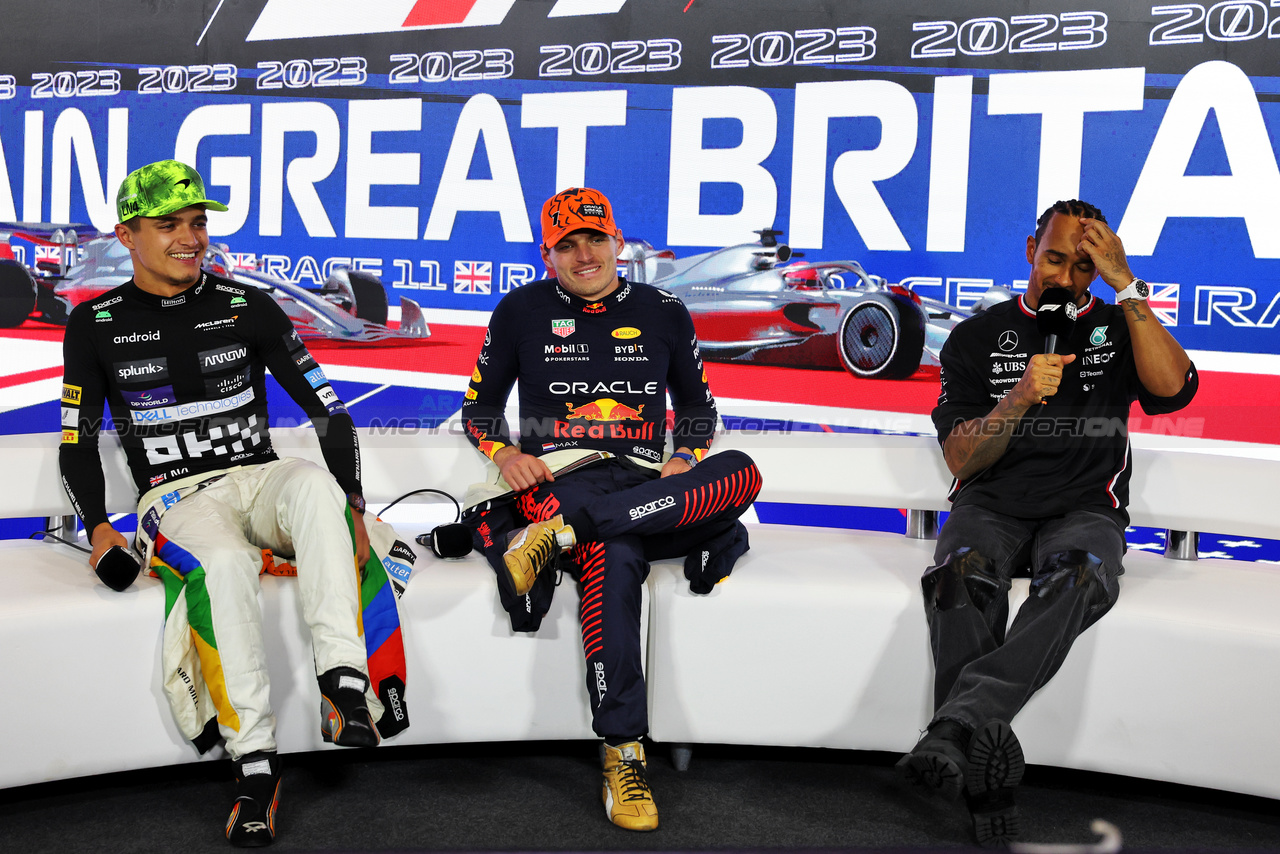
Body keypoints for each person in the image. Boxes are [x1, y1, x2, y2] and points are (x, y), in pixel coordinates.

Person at [58, 160, 414, 848]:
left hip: (261, 478)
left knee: (315, 486)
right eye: (170, 225)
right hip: (178, 498)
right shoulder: (92, 322)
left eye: (198, 223)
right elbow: (78, 441)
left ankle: (344, 690)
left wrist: (356, 507)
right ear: (128, 235)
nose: (191, 238)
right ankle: (256, 768)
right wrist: (99, 527)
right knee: (220, 563)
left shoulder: (247, 305)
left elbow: (329, 413)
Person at [897, 199, 1199, 846]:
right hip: (991, 507)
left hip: (1084, 510)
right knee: (956, 580)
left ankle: (954, 730)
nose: (1065, 277)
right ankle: (988, 782)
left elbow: (1176, 390)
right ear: (1030, 248)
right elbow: (960, 457)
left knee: (1083, 576)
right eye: (1055, 258)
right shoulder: (976, 338)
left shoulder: (1120, 325)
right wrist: (1021, 395)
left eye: (1085, 267)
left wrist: (1127, 286)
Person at [460, 187, 762, 831]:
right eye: (566, 244)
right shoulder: (519, 310)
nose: (584, 253)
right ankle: (624, 752)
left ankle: (557, 538)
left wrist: (687, 455)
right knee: (617, 553)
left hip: (649, 486)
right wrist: (504, 453)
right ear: (547, 255)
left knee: (741, 472)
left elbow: (700, 409)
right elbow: (480, 406)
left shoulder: (665, 310)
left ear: (617, 242)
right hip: (563, 477)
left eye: (594, 238)